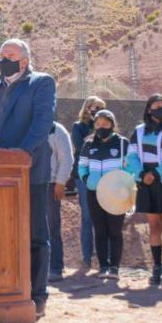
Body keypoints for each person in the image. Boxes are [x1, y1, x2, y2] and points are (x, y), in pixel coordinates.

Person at [0, 38, 56, 318]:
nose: (3, 60)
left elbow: (42, 123)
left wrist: (21, 154)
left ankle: (37, 296)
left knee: (35, 234)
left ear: (24, 60)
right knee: (0, 234)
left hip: (29, 171)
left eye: (9, 55)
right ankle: (4, 289)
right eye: (1, 55)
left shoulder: (41, 83)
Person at [126, 94, 162, 285]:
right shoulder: (139, 131)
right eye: (157, 104)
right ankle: (156, 267)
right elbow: (132, 156)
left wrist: (157, 173)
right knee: (154, 225)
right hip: (146, 182)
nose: (161, 107)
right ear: (149, 109)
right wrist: (143, 174)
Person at [78, 110, 129, 279]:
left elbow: (131, 168)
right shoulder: (88, 144)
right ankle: (103, 267)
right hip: (94, 193)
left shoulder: (123, 144)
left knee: (114, 231)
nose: (101, 127)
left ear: (112, 125)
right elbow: (82, 166)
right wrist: (88, 180)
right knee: (100, 231)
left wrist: (123, 186)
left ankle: (114, 268)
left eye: (105, 124)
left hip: (116, 194)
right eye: (98, 124)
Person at [69, 96, 106, 269]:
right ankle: (86, 256)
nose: (96, 110)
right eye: (94, 107)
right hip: (83, 175)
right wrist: (95, 136)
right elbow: (79, 145)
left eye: (100, 107)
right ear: (87, 108)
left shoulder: (105, 126)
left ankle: (104, 256)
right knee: (87, 216)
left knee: (104, 215)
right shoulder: (79, 127)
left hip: (104, 175)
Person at [46, 121, 74, 282]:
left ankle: (55, 267)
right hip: (31, 183)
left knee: (52, 227)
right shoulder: (27, 127)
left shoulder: (57, 130)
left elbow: (66, 158)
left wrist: (60, 182)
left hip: (50, 185)